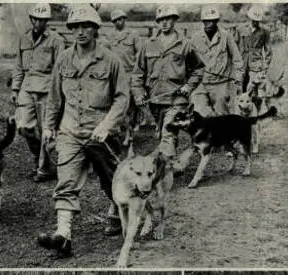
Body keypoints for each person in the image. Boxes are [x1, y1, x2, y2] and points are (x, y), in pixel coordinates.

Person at [38, 4, 129, 258]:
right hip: (70, 131)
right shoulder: (64, 59)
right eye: (75, 27)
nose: (80, 31)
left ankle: (116, 212)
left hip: (101, 133)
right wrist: (49, 126)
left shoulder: (111, 60)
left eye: (86, 26)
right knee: (66, 182)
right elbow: (55, 97)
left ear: (95, 29)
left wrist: (106, 125)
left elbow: (122, 98)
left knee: (112, 180)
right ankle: (63, 236)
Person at [130, 5, 204, 162]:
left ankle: (165, 171)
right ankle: (168, 161)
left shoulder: (185, 44)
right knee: (161, 134)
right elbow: (137, 74)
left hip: (176, 99)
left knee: (168, 133)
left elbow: (199, 69)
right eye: (161, 19)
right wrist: (138, 93)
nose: (164, 23)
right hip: (155, 100)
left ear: (175, 20)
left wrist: (188, 86)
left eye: (168, 19)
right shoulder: (147, 44)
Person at [11, 3, 65, 183]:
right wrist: (15, 89)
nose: (38, 23)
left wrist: (59, 93)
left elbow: (60, 69)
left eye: (42, 20)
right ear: (31, 18)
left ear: (47, 21)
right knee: (24, 127)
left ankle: (45, 168)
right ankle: (38, 157)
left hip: (47, 88)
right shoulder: (23, 39)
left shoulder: (56, 40)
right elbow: (18, 66)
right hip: (27, 87)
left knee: (46, 131)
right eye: (35, 19)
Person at [191, 6, 243, 116]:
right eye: (206, 21)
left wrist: (238, 77)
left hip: (221, 83)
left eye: (212, 21)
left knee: (222, 116)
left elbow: (237, 58)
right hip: (201, 83)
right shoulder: (195, 38)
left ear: (216, 21)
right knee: (200, 114)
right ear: (203, 21)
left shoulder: (226, 36)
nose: (209, 24)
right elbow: (189, 60)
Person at [235, 5, 272, 98]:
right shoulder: (240, 29)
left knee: (253, 86)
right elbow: (234, 46)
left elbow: (268, 49)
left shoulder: (265, 31)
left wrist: (265, 66)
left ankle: (254, 107)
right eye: (253, 19)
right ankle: (240, 107)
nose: (255, 22)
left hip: (256, 62)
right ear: (249, 18)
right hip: (241, 61)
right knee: (239, 85)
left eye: (257, 20)